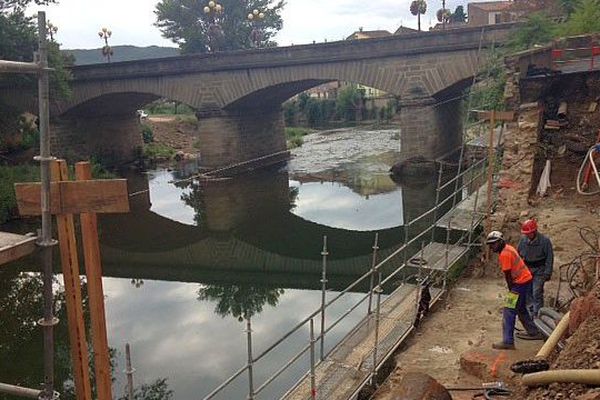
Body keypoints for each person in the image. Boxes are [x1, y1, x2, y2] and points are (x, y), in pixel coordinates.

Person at [486, 231, 543, 350]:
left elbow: (508, 276)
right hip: (526, 279)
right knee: (521, 308)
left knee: (509, 310)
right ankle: (533, 332)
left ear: (500, 242)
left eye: (493, 244)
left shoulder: (504, 255)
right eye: (490, 245)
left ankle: (508, 341)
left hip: (519, 283)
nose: (491, 247)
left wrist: (511, 291)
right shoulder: (509, 248)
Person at [518, 219, 554, 317]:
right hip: (527, 270)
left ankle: (538, 313)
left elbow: (549, 257)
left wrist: (548, 272)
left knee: (536, 291)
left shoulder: (545, 241)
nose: (527, 235)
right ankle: (530, 312)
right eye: (526, 234)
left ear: (534, 232)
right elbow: (518, 255)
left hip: (539, 270)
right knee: (527, 292)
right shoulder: (523, 241)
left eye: (529, 233)